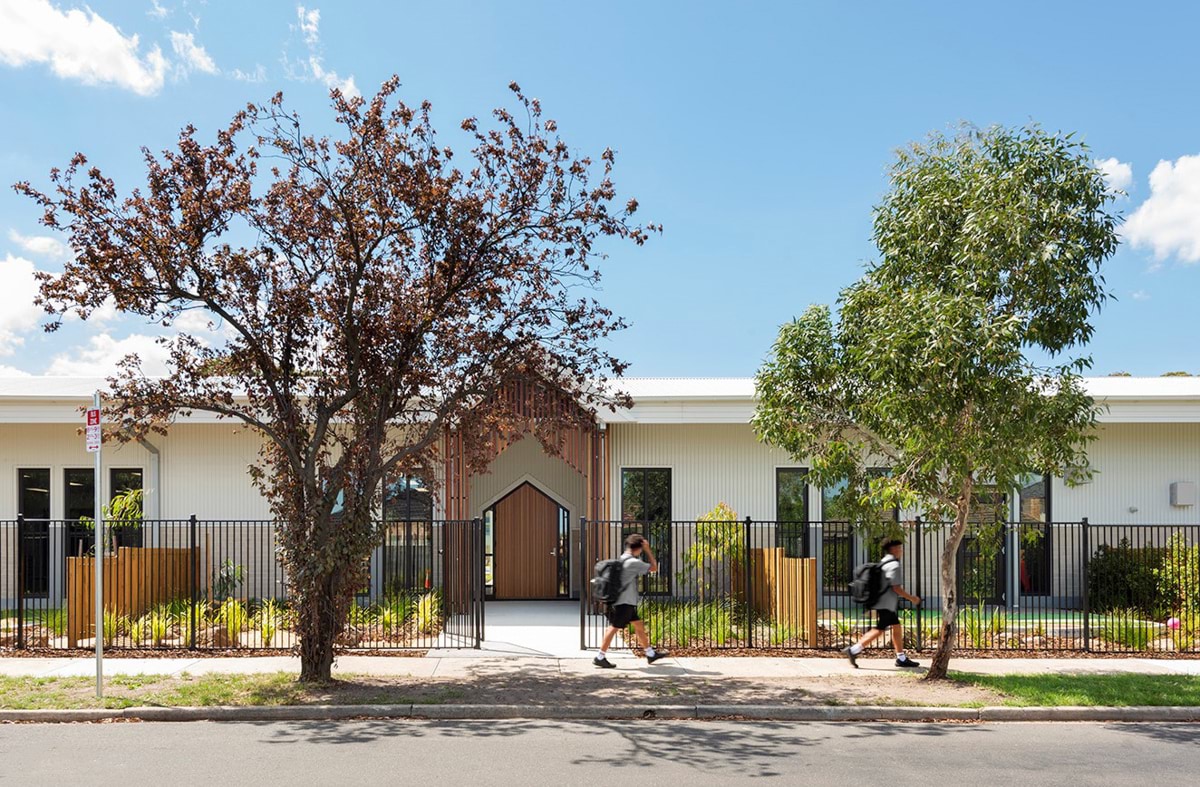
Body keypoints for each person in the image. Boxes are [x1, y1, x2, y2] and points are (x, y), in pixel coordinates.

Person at [593, 533, 670, 668]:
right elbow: (654, 568)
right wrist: (648, 550)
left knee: (638, 625)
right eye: (641, 548)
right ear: (638, 548)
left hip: (624, 601)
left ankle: (650, 654)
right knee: (613, 628)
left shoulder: (622, 559)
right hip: (625, 602)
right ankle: (600, 656)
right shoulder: (633, 562)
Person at [845, 537, 921, 668]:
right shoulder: (894, 565)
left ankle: (901, 657)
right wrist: (912, 598)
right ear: (894, 549)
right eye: (900, 548)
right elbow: (896, 587)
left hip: (882, 602)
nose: (901, 551)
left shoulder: (884, 562)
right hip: (886, 604)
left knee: (896, 626)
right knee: (880, 629)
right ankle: (853, 650)